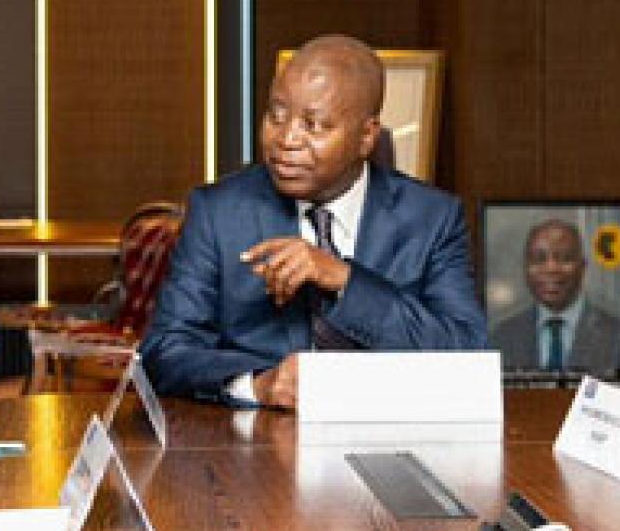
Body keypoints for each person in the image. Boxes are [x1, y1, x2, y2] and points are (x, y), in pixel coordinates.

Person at [143, 34, 487, 409]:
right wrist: (258, 385)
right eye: (275, 116)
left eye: (316, 125)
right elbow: (165, 351)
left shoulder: (431, 217)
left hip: (387, 438)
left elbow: (465, 351)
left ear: (366, 137)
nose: (286, 139)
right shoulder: (219, 212)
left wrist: (344, 281)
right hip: (257, 448)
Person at [490, 218, 620, 376]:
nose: (551, 268)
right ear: (525, 269)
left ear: (583, 267)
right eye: (539, 259)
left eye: (565, 258)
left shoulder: (618, 335)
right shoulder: (501, 336)